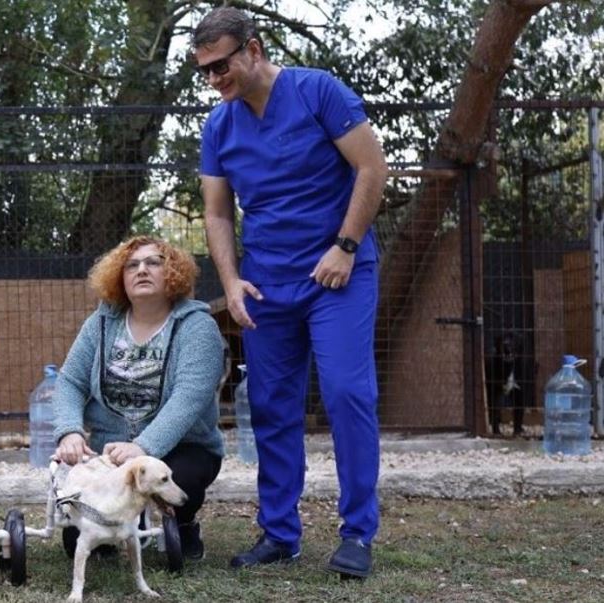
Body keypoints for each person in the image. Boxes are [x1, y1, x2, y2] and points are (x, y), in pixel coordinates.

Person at [193, 7, 389, 579]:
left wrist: (346, 247)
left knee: (349, 394)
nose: (213, 79)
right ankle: (279, 533)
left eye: (221, 65)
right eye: (204, 70)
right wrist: (230, 282)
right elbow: (216, 212)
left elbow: (372, 169)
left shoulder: (318, 91)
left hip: (338, 276)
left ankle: (357, 533)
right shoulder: (219, 125)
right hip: (266, 284)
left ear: (253, 50)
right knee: (272, 408)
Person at [51, 236, 226, 559]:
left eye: (153, 262)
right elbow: (70, 382)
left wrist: (144, 447)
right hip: (110, 450)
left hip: (181, 448)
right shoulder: (101, 323)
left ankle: (182, 526)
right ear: (120, 276)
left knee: (180, 479)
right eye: (132, 265)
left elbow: (190, 397)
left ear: (173, 272)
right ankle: (123, 522)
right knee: (77, 540)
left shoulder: (198, 327)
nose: (141, 270)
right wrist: (70, 430)